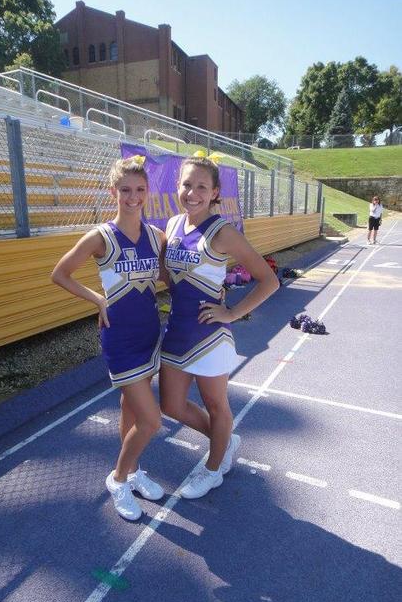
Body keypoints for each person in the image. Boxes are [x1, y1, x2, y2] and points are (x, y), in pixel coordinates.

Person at [52, 156, 166, 521]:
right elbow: (60, 274)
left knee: (130, 409)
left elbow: (167, 276)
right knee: (151, 421)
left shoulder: (155, 236)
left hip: (150, 333)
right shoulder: (100, 237)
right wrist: (97, 298)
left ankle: (132, 471)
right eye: (125, 190)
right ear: (112, 191)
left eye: (139, 190)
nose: (133, 197)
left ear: (147, 192)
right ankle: (118, 479)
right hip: (119, 338)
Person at [160, 157, 280, 499]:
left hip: (209, 336)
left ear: (214, 192)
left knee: (216, 405)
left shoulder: (223, 231)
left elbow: (268, 280)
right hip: (176, 331)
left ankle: (213, 469)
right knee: (171, 405)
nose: (192, 192)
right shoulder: (171, 225)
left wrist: (231, 312)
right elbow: (169, 275)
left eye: (201, 186)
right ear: (177, 187)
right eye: (186, 184)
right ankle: (224, 440)